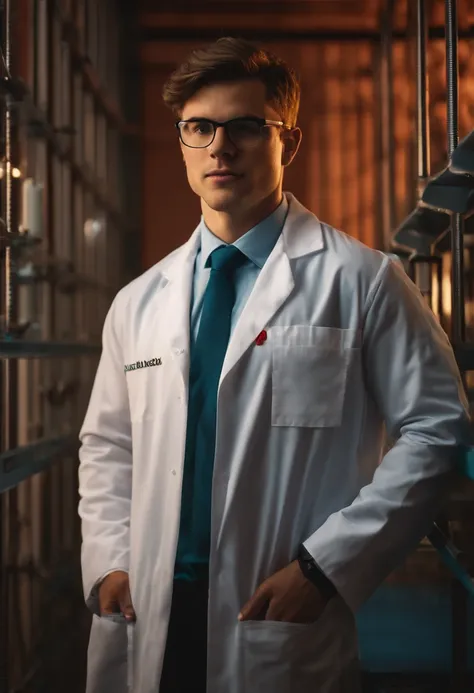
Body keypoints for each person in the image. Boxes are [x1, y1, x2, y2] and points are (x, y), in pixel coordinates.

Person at [78, 37, 470, 693]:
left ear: (289, 140)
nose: (218, 148)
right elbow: (108, 444)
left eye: (244, 127)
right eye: (198, 128)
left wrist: (324, 568)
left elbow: (437, 429)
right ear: (181, 141)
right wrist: (111, 562)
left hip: (276, 610)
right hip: (146, 606)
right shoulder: (138, 302)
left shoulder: (364, 282)